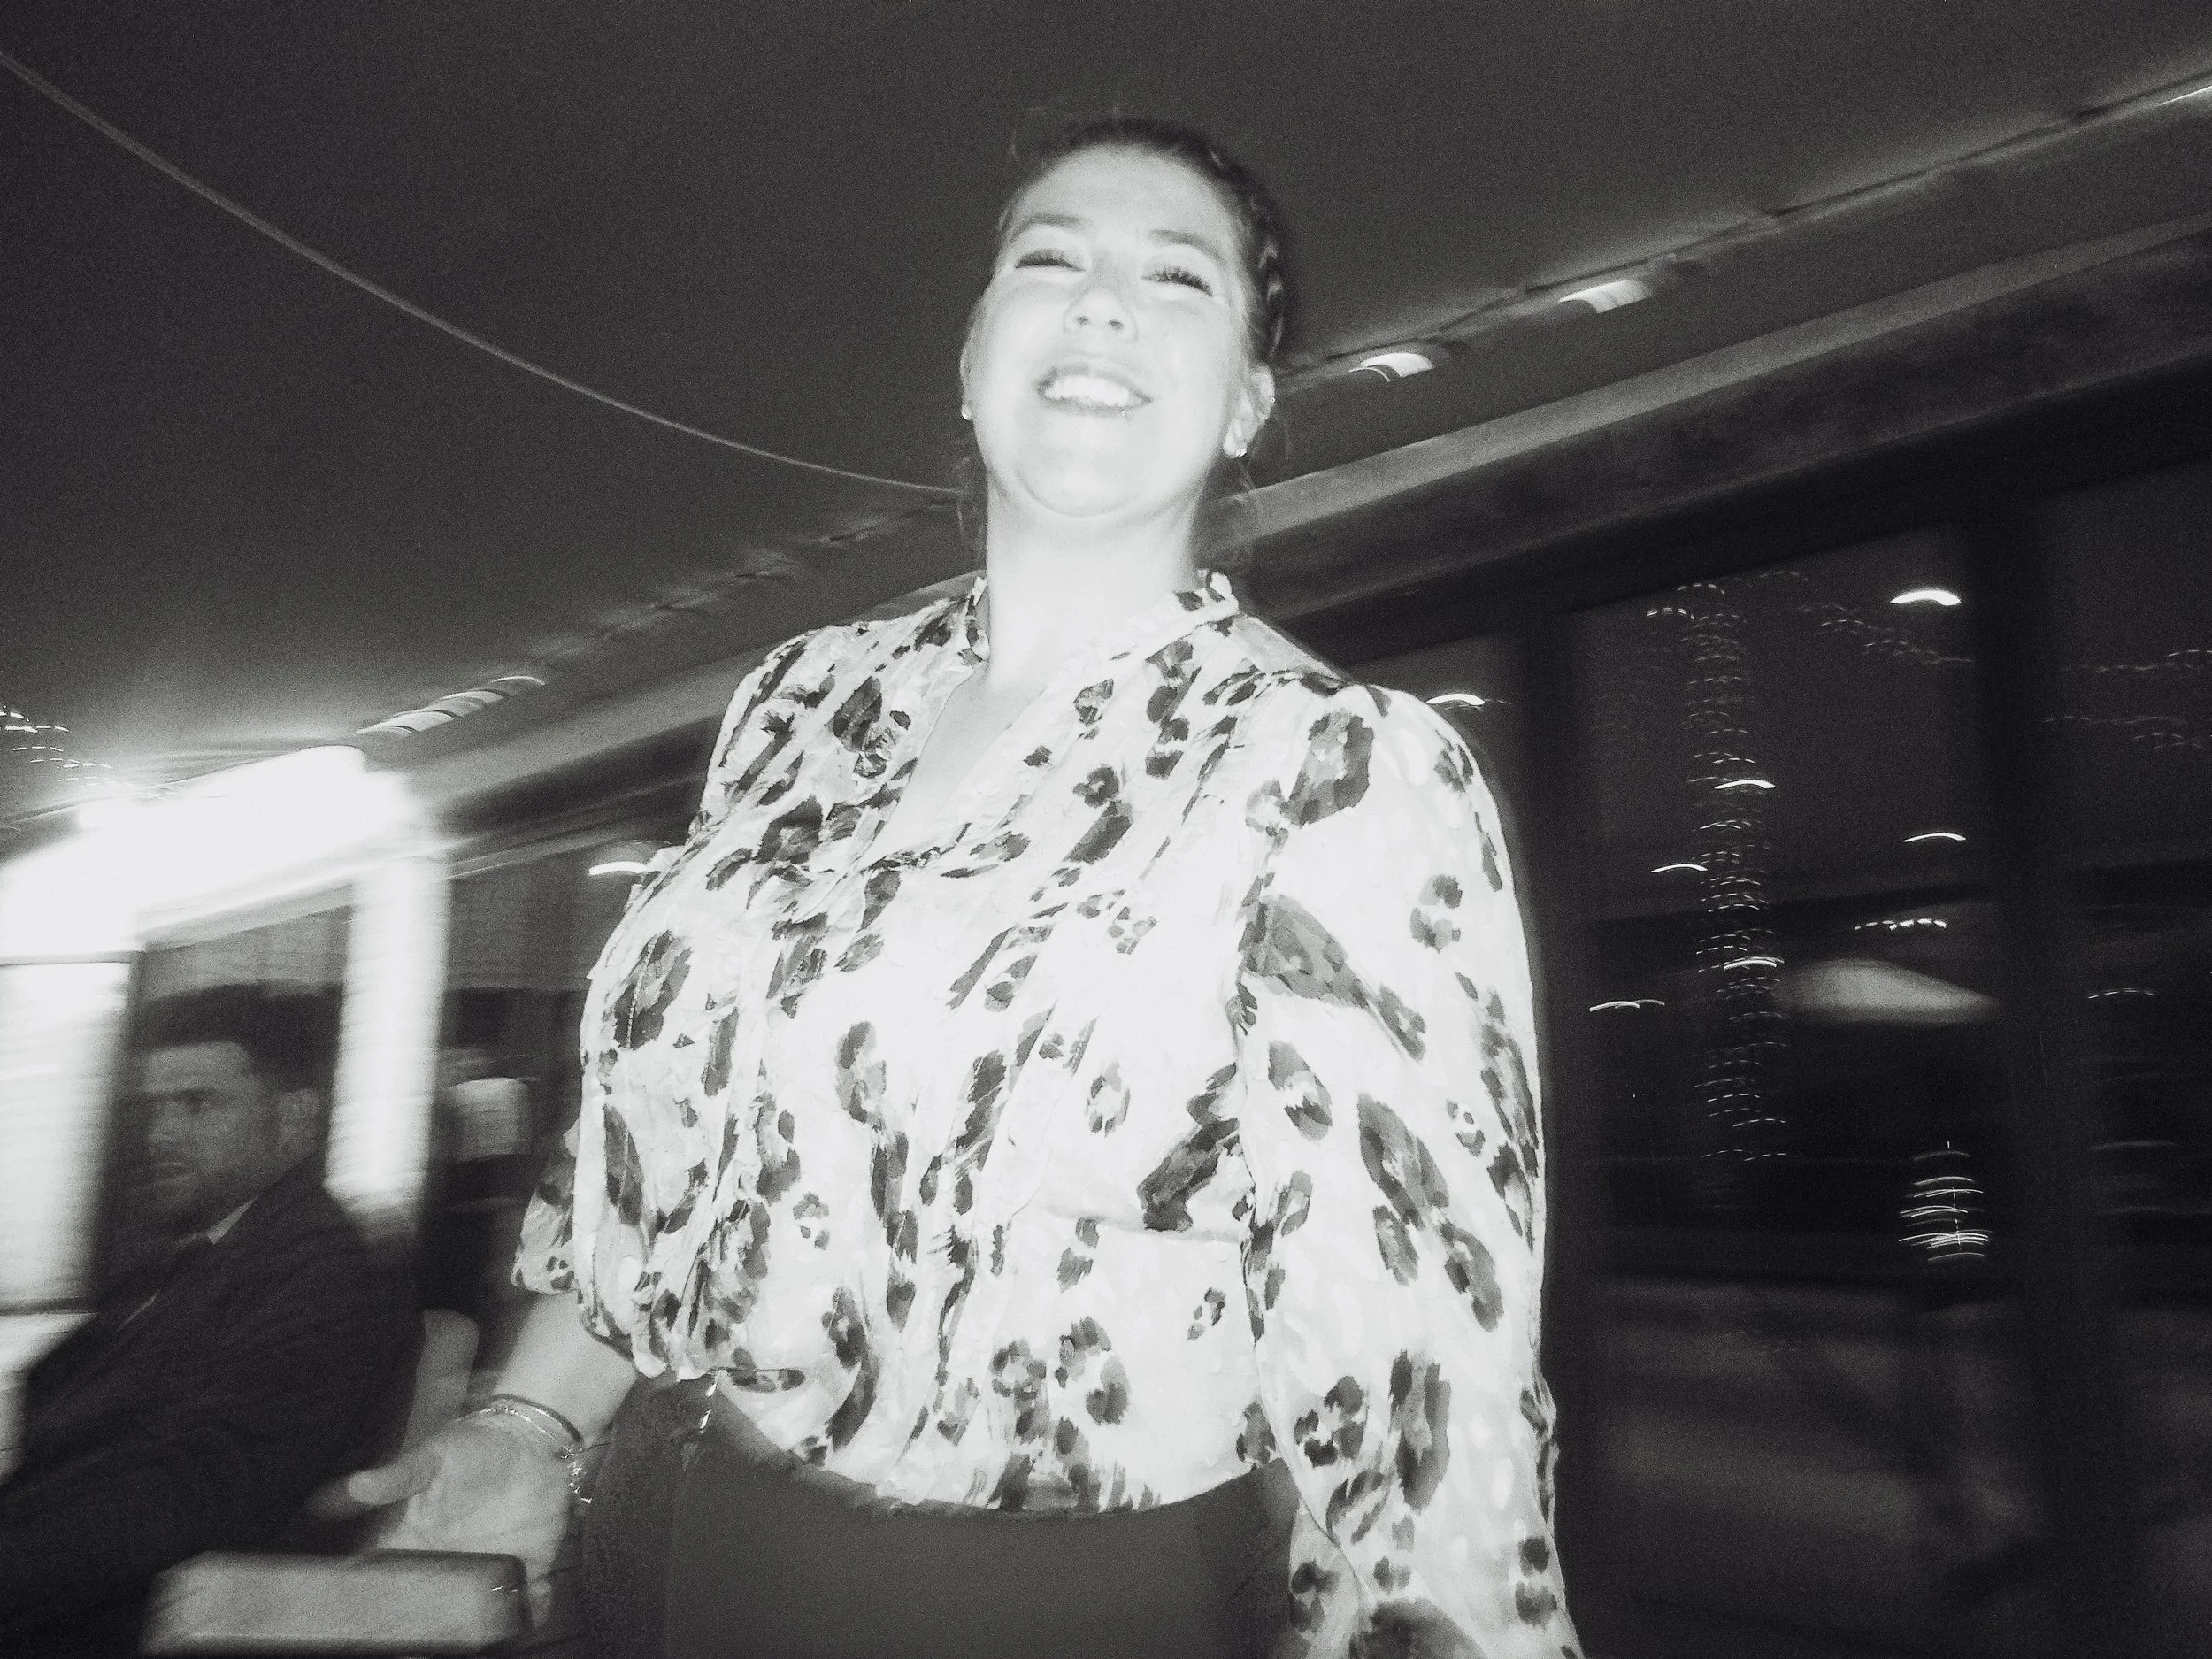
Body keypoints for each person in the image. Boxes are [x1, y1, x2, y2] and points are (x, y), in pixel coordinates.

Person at [349, 114, 1580, 1658]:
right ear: (974, 350)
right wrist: (529, 1424)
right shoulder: (803, 704)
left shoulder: (1333, 770)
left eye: (1177, 280)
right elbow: (648, 1166)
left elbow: (1425, 1390)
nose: (1102, 302)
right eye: (1047, 259)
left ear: (1251, 403)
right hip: (677, 1546)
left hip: (1060, 1603)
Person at [0, 985, 420, 1657]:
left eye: (197, 1104)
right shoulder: (198, 1253)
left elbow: (200, 1492)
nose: (160, 1134)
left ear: (295, 1118)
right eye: (154, 1107)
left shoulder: (327, 1267)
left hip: (130, 1619)